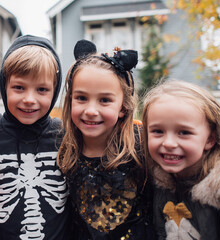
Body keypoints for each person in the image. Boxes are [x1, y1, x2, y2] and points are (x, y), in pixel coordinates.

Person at [0, 35, 71, 240]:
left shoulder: (66, 138)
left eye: (42, 90)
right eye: (19, 87)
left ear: (54, 92)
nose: (29, 99)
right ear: (4, 86)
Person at [57, 40, 154, 240]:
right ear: (70, 99)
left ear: (123, 107)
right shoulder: (63, 149)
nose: (91, 111)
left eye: (105, 100)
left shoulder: (141, 145)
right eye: (81, 98)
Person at [141, 80, 220, 239]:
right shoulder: (157, 182)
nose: (169, 143)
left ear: (210, 139)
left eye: (184, 132)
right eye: (158, 131)